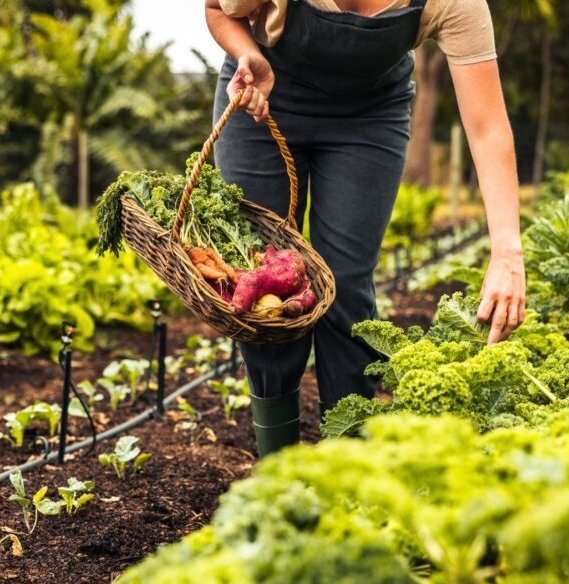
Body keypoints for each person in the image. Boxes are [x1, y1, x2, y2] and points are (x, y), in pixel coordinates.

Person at [205, 0, 526, 456]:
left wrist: (507, 252)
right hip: (264, 96)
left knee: (345, 283)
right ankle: (277, 465)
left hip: (369, 116)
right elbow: (219, 8)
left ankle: (347, 463)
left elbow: (488, 127)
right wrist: (245, 53)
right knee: (261, 283)